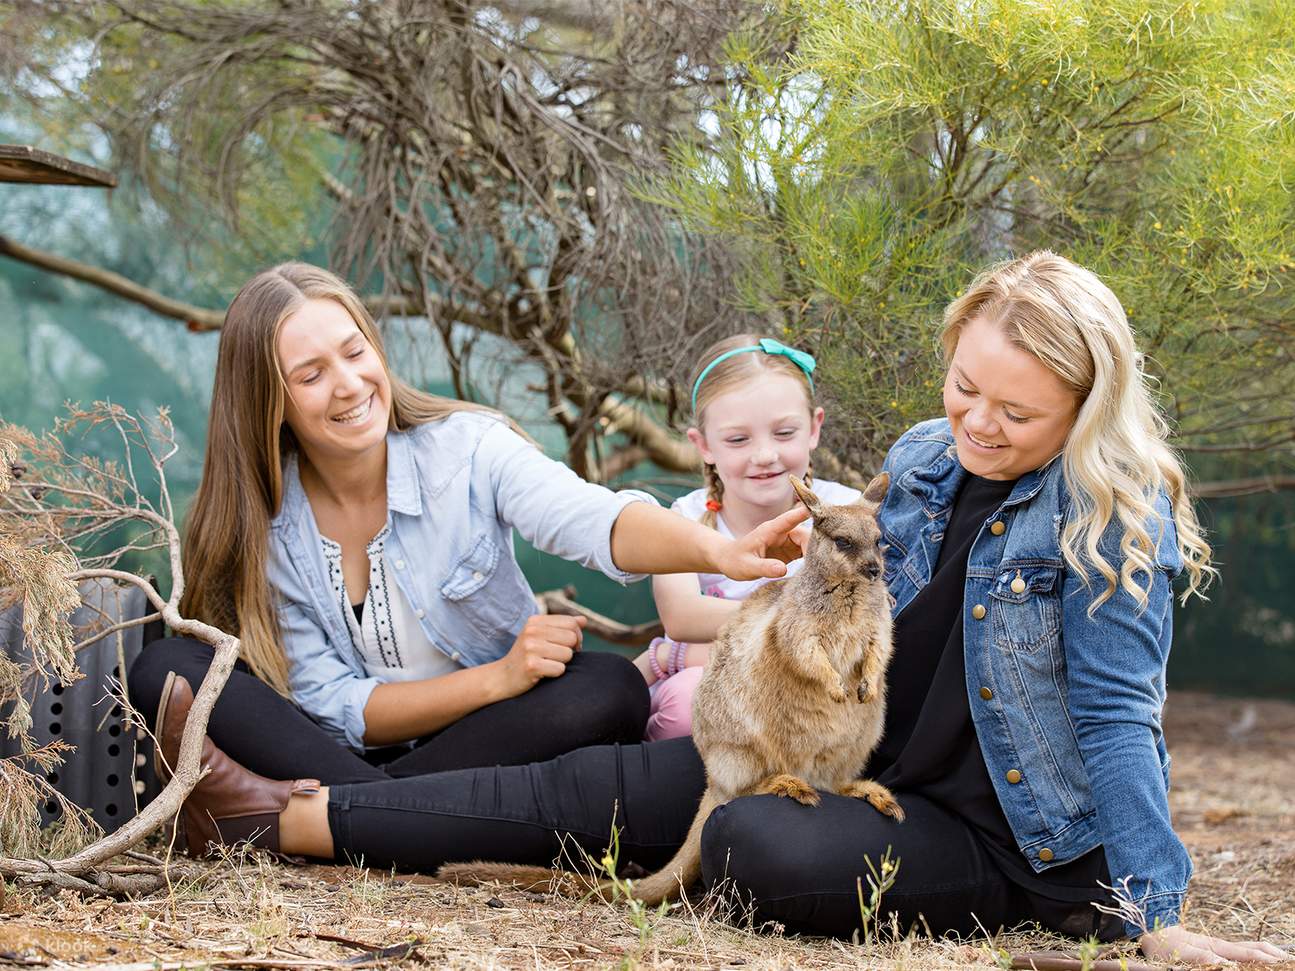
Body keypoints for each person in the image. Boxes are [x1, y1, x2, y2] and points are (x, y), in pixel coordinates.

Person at [136, 256, 1287, 966]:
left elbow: (1117, 717)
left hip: (994, 834)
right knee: (594, 786)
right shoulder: (928, 456)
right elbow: (861, 601)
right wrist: (773, 558)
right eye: (963, 386)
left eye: (1016, 411)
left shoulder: (1108, 520)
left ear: (1086, 407)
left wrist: (1153, 909)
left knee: (744, 846)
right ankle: (275, 823)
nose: (977, 423)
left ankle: (300, 805)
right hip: (851, 758)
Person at [127, 262, 807, 855]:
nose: (347, 383)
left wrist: (719, 548)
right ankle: (381, 812)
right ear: (269, 399)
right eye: (310, 374)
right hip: (328, 749)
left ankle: (314, 816)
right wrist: (499, 677)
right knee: (169, 664)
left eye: (354, 351)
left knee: (608, 691)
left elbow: (593, 519)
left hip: (489, 744)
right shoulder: (268, 523)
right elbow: (331, 704)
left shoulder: (467, 449)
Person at [632, 334, 860, 740]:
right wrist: (804, 619)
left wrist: (673, 656)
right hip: (703, 697)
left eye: (785, 433)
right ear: (702, 445)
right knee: (687, 701)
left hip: (811, 703)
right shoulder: (685, 518)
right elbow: (681, 617)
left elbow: (855, 629)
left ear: (814, 428)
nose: (765, 455)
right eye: (738, 439)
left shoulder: (848, 513)